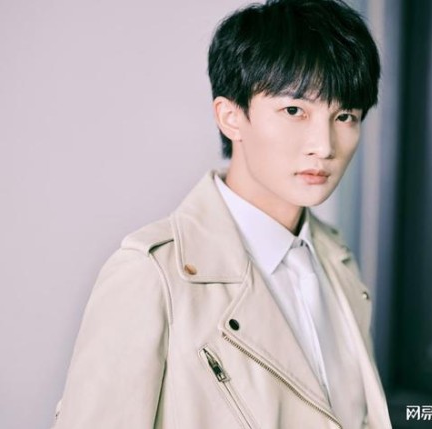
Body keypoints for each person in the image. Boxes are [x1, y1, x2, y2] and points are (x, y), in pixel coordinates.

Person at [52, 0, 391, 427]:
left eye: (345, 116)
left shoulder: (336, 260)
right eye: (294, 111)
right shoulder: (152, 275)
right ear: (231, 117)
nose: (323, 146)